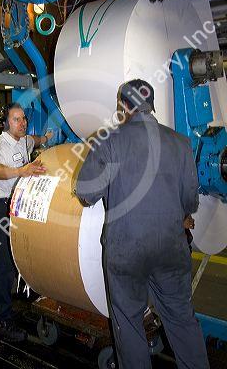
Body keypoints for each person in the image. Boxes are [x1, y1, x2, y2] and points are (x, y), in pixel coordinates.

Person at [75, 80, 209, 368]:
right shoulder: (181, 143)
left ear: (124, 106)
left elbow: (86, 194)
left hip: (126, 251)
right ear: (152, 105)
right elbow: (191, 201)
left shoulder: (108, 141)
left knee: (130, 325)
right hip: (172, 248)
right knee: (182, 320)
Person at [0, 102, 53, 341]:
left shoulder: (24, 141)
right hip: (1, 209)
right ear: (6, 123)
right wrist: (21, 171)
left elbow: (33, 140)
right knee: (1, 264)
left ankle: (6, 303)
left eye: (24, 118)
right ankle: (0, 317)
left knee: (20, 256)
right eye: (17, 119)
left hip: (18, 207)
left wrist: (46, 137)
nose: (22, 123)